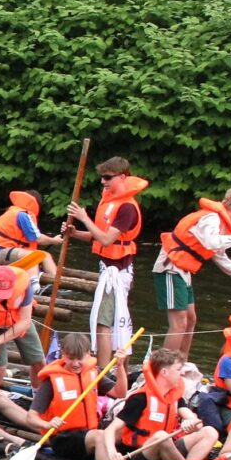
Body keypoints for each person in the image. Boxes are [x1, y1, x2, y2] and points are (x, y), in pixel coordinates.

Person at [62, 156, 148, 390]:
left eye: (108, 178)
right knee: (110, 322)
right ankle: (114, 372)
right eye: (102, 177)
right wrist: (74, 232)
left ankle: (103, 376)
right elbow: (96, 236)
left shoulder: (127, 207)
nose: (103, 182)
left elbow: (107, 239)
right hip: (107, 268)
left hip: (117, 271)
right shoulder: (109, 201)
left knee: (104, 323)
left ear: (122, 177)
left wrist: (84, 218)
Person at [151, 186, 231, 357]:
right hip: (170, 268)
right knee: (179, 323)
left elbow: (220, 257)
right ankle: (165, 365)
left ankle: (181, 362)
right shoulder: (211, 218)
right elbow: (211, 243)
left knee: (190, 319)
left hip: (183, 272)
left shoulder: (219, 224)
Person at [110, 345, 219, 460]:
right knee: (161, 436)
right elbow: (110, 430)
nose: (182, 373)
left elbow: (197, 424)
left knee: (210, 432)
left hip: (164, 454)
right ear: (164, 372)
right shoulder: (140, 399)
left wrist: (190, 421)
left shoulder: (174, 397)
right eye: (178, 369)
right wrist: (112, 452)